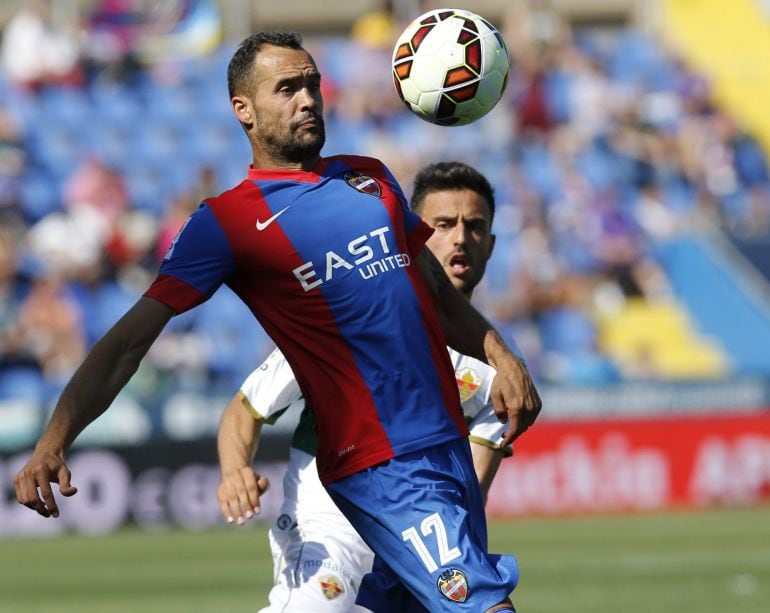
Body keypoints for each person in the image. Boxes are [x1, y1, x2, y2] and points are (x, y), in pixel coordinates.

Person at [14, 32, 540, 612]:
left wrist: (500, 352)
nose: (308, 99)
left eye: (312, 84)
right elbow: (129, 341)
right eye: (287, 88)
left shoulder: (372, 178)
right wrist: (55, 439)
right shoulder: (228, 222)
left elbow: (434, 291)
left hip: (444, 448)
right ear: (244, 109)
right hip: (383, 463)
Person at [218, 161, 511, 610]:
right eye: (443, 224)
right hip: (330, 520)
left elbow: (474, 485)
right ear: (409, 233)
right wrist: (236, 468)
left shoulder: (499, 370)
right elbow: (246, 409)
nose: (459, 238)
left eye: (474, 227)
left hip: (421, 529)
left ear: (490, 244)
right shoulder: (347, 315)